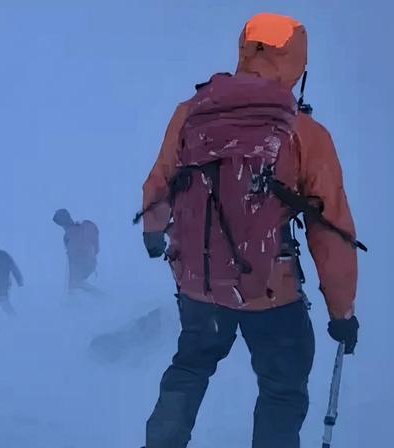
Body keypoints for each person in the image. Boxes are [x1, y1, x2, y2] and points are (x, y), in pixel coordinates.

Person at [137, 13, 363, 448]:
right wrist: (342, 313)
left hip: (199, 285)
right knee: (281, 389)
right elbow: (330, 228)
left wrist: (154, 231)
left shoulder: (191, 113)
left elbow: (160, 181)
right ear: (297, 65)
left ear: (243, 52)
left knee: (190, 368)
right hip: (272, 292)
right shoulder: (305, 132)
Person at [52, 208, 101, 294]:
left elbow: (72, 258)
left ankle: (101, 297)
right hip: (90, 262)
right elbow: (95, 248)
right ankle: (100, 297)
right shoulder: (82, 227)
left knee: (75, 284)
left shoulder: (68, 235)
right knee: (77, 284)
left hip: (83, 264)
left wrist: (70, 281)